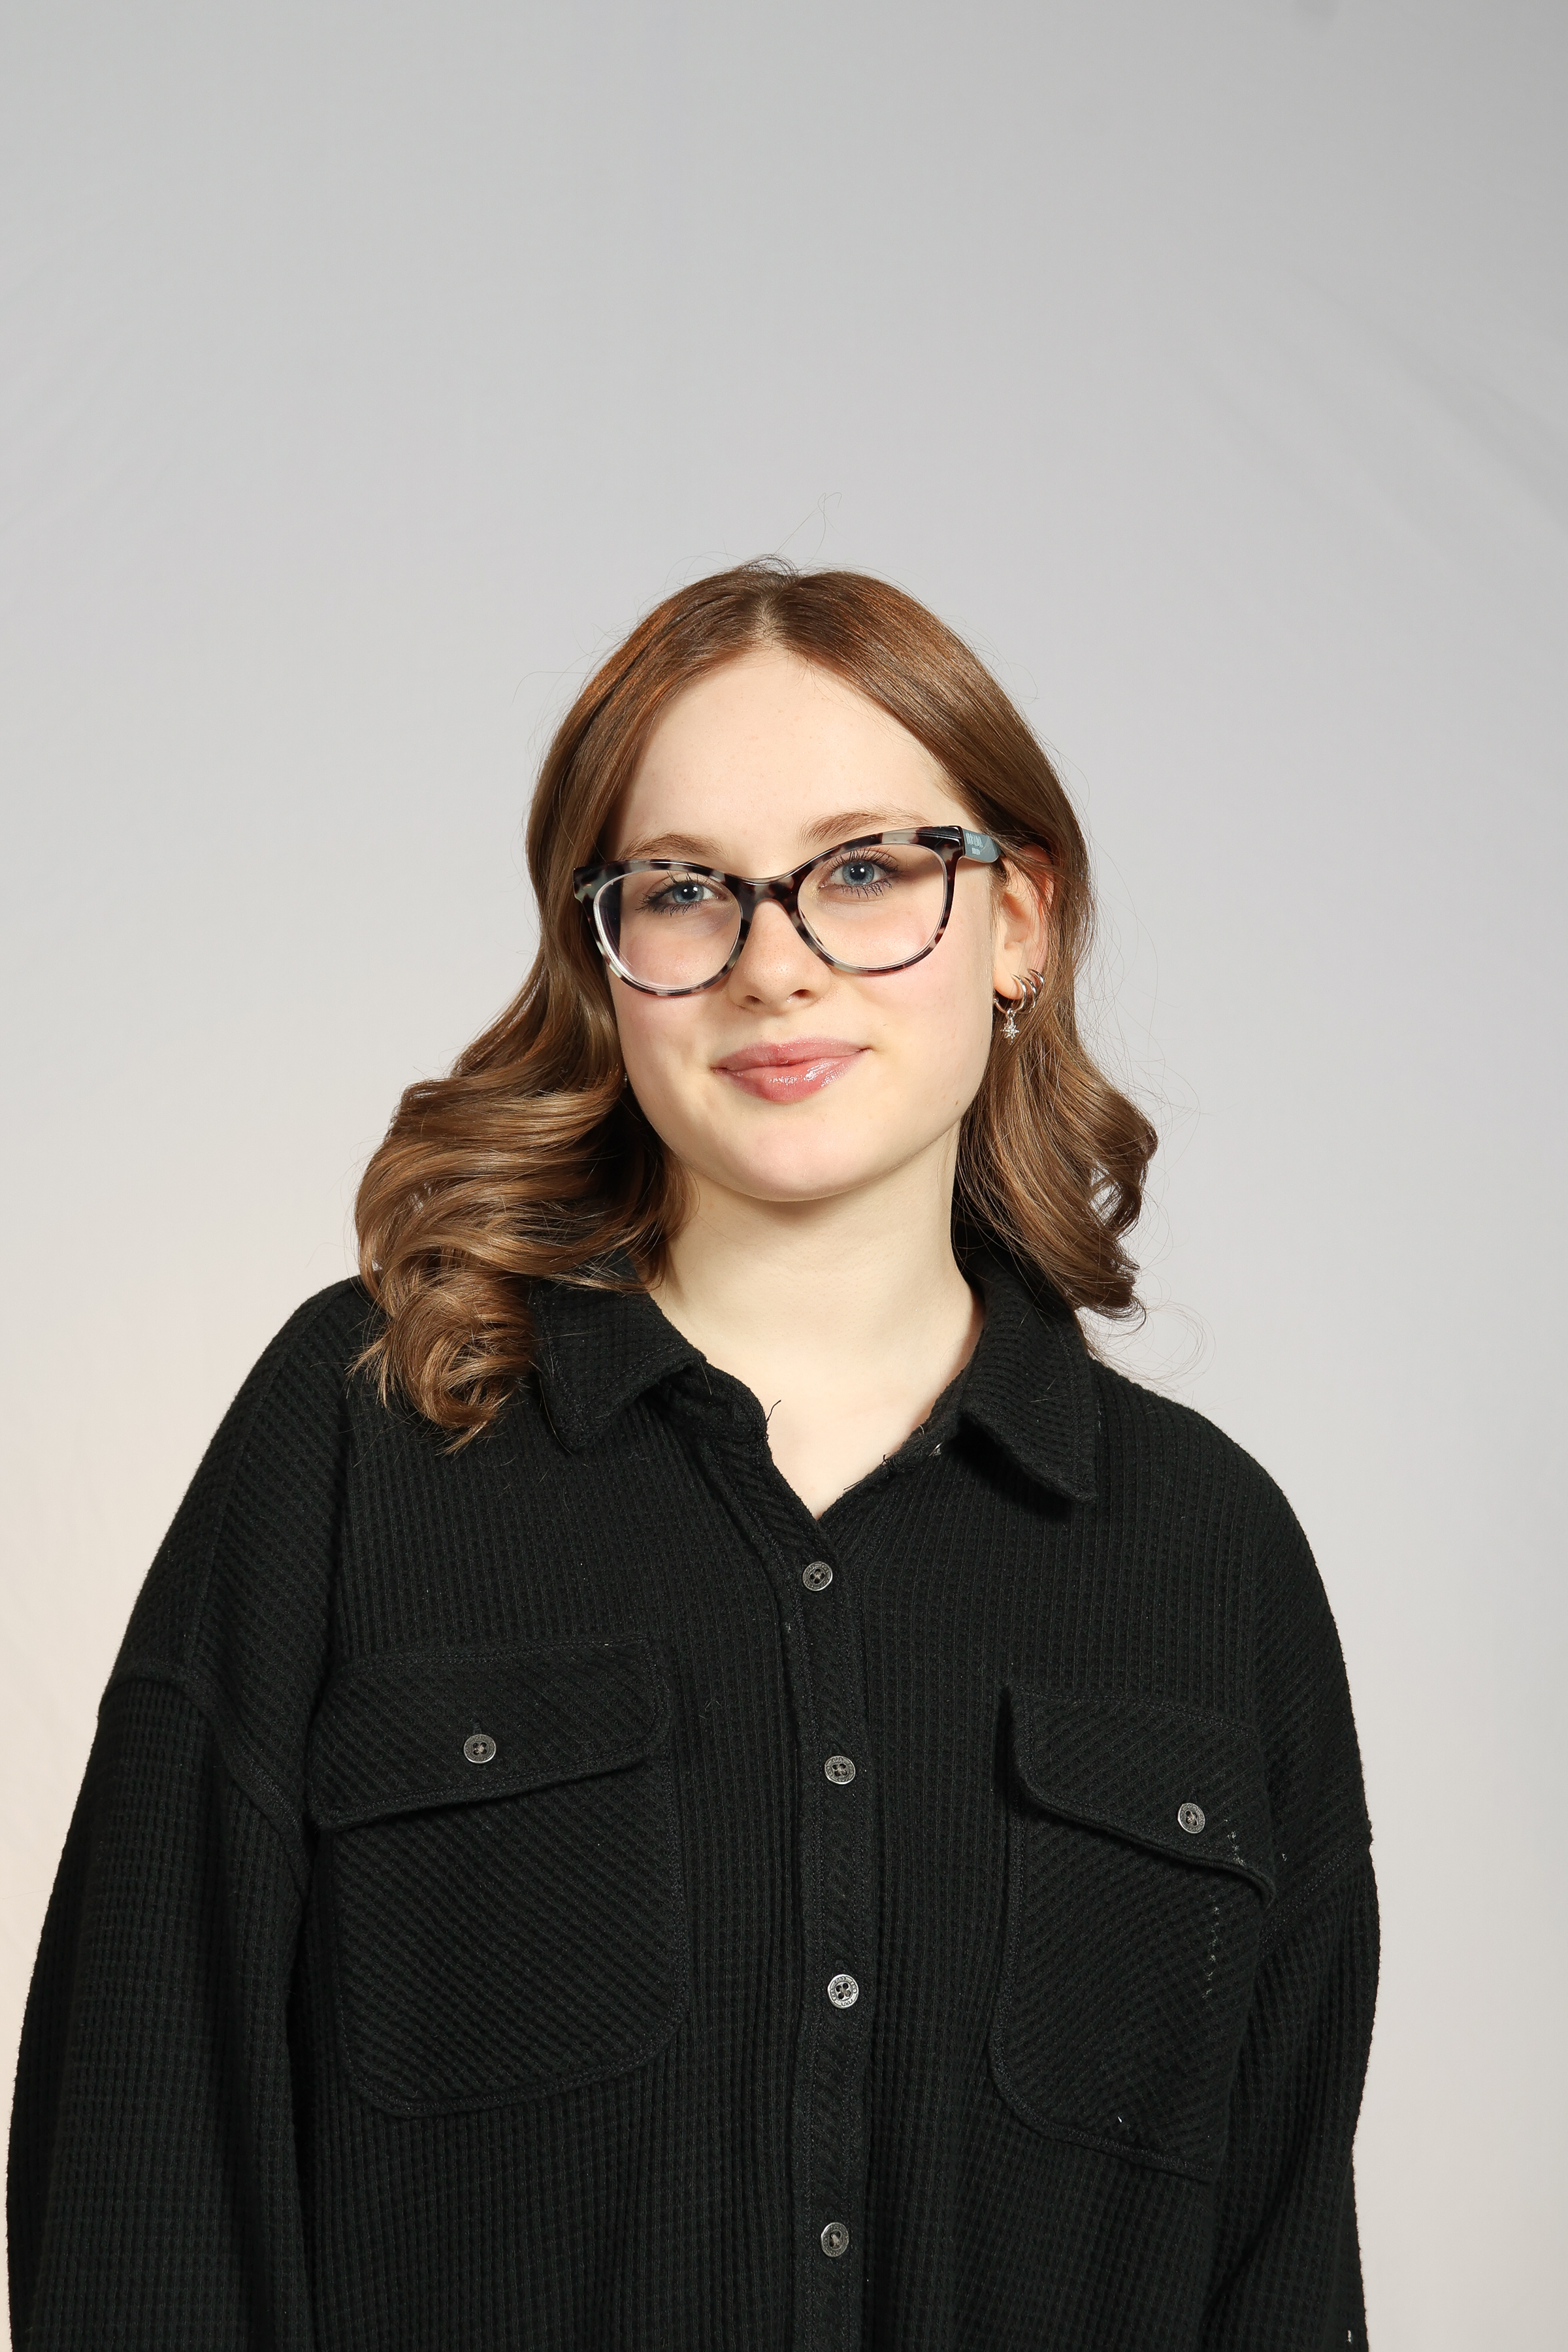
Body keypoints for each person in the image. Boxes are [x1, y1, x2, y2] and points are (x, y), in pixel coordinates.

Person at [7, 561, 1377, 2351]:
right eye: (683, 891)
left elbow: (1282, 2271)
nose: (775, 963)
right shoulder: (367, 1436)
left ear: (1019, 922)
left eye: (866, 871)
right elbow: (140, 2168)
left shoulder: (1216, 1558)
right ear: (604, 958)